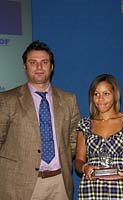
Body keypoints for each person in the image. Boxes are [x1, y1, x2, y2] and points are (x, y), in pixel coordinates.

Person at [0, 40, 81, 199]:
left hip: (59, 183)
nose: (39, 67)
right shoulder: (7, 100)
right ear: (25, 66)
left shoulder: (68, 99)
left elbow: (74, 139)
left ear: (51, 67)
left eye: (44, 62)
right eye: (33, 62)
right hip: (19, 184)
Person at [75, 74, 123, 199]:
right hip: (92, 188)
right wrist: (85, 168)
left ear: (115, 95)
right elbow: (79, 160)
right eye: (96, 94)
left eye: (106, 93)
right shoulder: (84, 124)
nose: (100, 99)